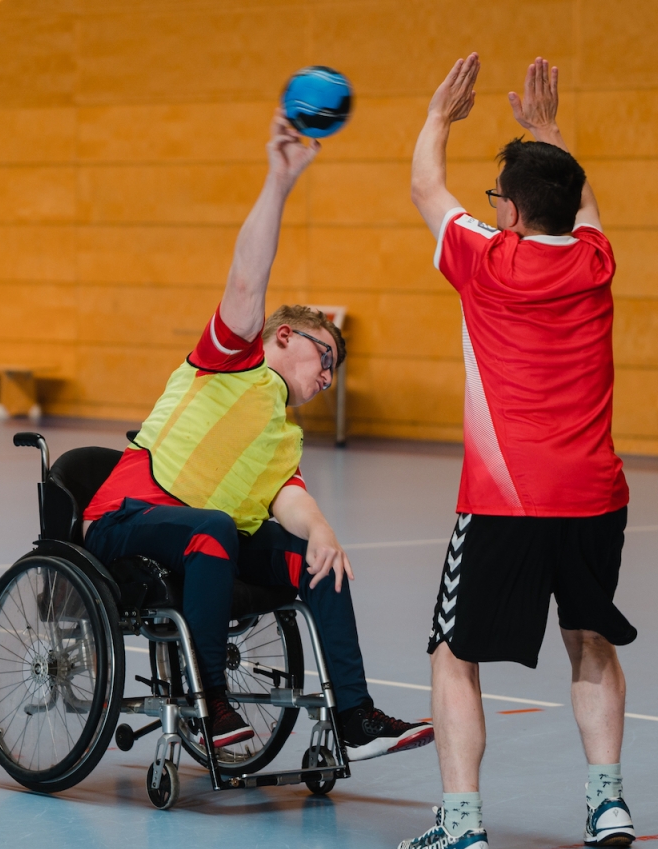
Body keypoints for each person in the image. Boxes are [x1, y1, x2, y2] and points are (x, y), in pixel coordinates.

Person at [83, 109, 432, 762]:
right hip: (126, 522)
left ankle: (353, 716)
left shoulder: (280, 437)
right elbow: (248, 274)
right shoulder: (231, 357)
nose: (328, 375)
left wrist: (324, 532)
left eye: (336, 369)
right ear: (283, 337)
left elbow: (289, 500)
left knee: (314, 561)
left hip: (201, 540)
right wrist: (279, 184)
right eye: (324, 356)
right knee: (214, 526)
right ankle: (211, 703)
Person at [395, 55, 638, 849]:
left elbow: (427, 186)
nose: (491, 205)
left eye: (500, 197)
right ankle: (608, 804)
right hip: (596, 496)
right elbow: (584, 207)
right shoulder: (595, 263)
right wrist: (548, 136)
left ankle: (460, 826)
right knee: (590, 639)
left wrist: (438, 115)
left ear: (515, 215)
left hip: (506, 500)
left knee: (452, 653)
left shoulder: (487, 261)